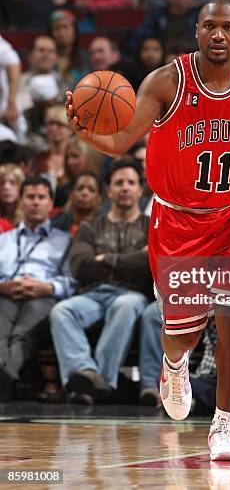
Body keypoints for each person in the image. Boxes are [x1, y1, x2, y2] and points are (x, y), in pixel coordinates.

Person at [66, 0, 230, 461]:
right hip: (176, 222)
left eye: (228, 27)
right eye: (209, 25)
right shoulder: (167, 81)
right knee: (183, 333)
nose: (218, 34)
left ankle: (224, 427)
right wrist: (87, 132)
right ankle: (174, 363)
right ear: (196, 31)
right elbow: (123, 140)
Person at [50, 158, 150, 404]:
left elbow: (151, 265)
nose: (125, 187)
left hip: (132, 294)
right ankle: (87, 372)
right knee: (62, 311)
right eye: (119, 183)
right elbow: (80, 266)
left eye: (131, 182)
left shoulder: (152, 227)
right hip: (93, 294)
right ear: (108, 190)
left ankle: (99, 382)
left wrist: (106, 259)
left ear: (140, 189)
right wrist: (134, 259)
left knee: (124, 305)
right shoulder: (90, 227)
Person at [0, 176, 75, 401]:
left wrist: (47, 287)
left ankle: (5, 377)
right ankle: (6, 377)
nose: (35, 202)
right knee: (1, 333)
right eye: (30, 197)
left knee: (22, 334)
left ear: (51, 204)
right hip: (5, 295)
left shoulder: (65, 240)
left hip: (42, 297)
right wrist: (3, 287)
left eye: (41, 197)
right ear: (21, 202)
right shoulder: (4, 239)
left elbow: (71, 281)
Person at [51, 171, 103, 236]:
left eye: (91, 190)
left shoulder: (104, 229)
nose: (84, 193)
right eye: (80, 189)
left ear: (99, 198)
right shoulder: (55, 226)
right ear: (71, 195)